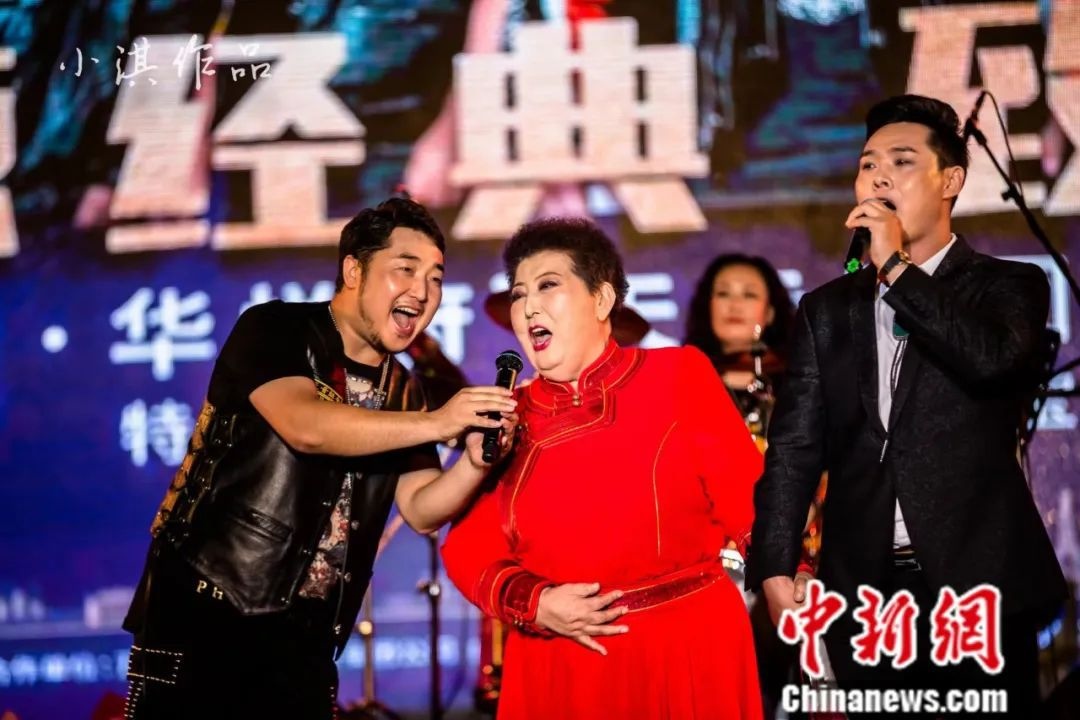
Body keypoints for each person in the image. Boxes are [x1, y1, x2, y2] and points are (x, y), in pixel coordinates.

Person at [121, 197, 519, 720]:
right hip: (209, 612)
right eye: (406, 269)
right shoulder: (275, 328)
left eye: (436, 278)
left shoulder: (403, 389)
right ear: (354, 270)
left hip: (306, 638)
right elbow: (306, 427)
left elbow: (422, 508)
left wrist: (474, 461)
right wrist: (438, 422)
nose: (423, 292)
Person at [747, 95, 1067, 716]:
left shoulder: (1009, 284)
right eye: (868, 165)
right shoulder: (826, 310)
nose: (879, 177)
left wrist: (895, 266)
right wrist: (774, 566)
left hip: (979, 589)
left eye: (901, 161)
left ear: (951, 181)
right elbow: (794, 450)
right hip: (866, 595)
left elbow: (992, 360)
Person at [441, 217, 765, 719]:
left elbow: (751, 500)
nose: (528, 307)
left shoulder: (678, 375)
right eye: (520, 294)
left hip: (687, 649)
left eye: (548, 285)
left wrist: (791, 577)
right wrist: (536, 603)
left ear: (601, 299)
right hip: (565, 664)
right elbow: (467, 548)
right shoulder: (506, 417)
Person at [683, 253, 795, 419]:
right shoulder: (681, 381)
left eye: (749, 294)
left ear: (770, 312)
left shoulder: (797, 379)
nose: (735, 305)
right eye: (723, 293)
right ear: (708, 307)